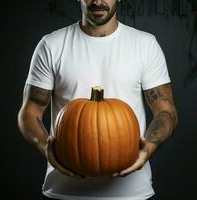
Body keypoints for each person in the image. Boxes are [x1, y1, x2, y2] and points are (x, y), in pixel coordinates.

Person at [17, 0, 178, 199]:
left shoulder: (145, 45)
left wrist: (148, 149)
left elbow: (166, 111)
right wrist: (46, 148)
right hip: (64, 191)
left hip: (131, 192)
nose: (98, 1)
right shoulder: (52, 45)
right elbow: (30, 111)